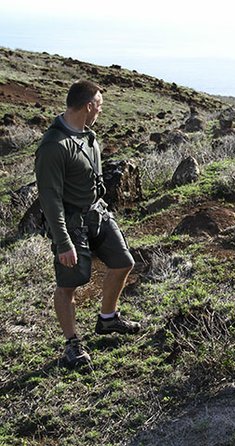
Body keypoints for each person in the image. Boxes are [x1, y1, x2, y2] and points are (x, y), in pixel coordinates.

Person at [35, 80, 140, 368]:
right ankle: (71, 345)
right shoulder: (54, 147)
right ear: (88, 106)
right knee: (69, 284)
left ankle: (108, 319)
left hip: (97, 214)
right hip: (70, 223)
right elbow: (50, 199)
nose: (101, 110)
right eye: (100, 105)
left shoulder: (89, 136)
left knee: (123, 262)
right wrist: (63, 242)